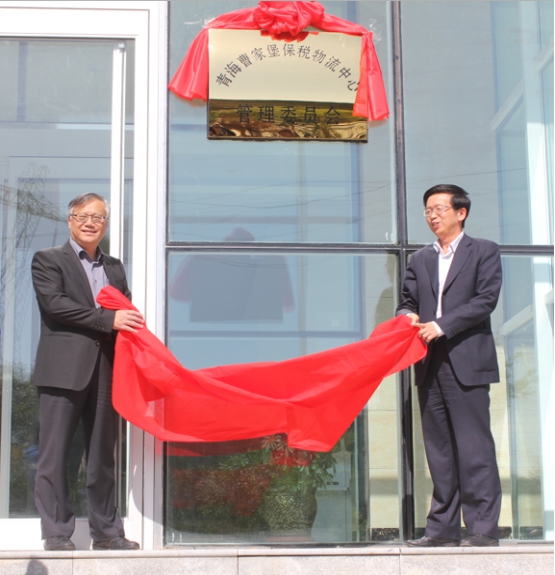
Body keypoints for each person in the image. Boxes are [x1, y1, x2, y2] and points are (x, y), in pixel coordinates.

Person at [31, 193, 145, 551]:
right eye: (82, 216)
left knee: (102, 456)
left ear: (105, 224)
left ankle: (108, 533)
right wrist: (108, 320)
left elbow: (124, 309)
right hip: (62, 371)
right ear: (70, 221)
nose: (90, 223)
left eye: (98, 217)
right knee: (55, 455)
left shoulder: (115, 267)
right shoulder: (48, 259)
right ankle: (56, 532)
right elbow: (56, 305)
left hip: (107, 370)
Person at [396, 184, 502, 547]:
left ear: (461, 212)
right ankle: (442, 530)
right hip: (429, 362)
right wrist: (407, 316)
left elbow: (485, 300)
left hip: (466, 359)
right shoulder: (419, 259)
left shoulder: (483, 250)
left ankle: (482, 528)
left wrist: (441, 325)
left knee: (474, 448)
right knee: (439, 451)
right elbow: (407, 301)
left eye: (439, 208)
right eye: (428, 210)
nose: (432, 215)